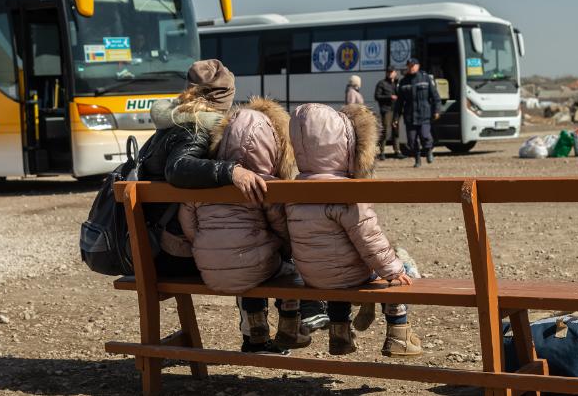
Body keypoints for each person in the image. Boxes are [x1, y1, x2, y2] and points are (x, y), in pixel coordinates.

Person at [286, 103, 423, 357]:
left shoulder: (293, 188)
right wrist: (392, 270)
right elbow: (369, 236)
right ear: (344, 143)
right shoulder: (346, 192)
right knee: (402, 264)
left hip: (313, 276)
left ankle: (340, 333)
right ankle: (398, 332)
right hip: (350, 276)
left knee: (336, 262)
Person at [179, 97, 311, 355]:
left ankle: (254, 326)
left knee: (247, 260)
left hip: (209, 268)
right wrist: (282, 248)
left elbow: (188, 222)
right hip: (253, 265)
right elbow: (281, 227)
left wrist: (201, 244)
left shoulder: (207, 179)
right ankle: (289, 324)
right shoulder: (263, 184)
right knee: (280, 266)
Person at [138, 59, 267, 277]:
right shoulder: (195, 128)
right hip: (171, 253)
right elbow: (178, 168)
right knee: (254, 254)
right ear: (225, 96)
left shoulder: (172, 123)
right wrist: (232, 171)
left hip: (152, 243)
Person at [394, 58, 441, 168]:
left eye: (413, 65)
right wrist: (396, 118)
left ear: (418, 66)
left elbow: (435, 97)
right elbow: (399, 103)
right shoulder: (403, 82)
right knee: (411, 141)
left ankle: (429, 150)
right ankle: (417, 159)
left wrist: (437, 110)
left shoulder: (425, 78)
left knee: (425, 136)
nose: (411, 67)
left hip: (424, 114)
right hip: (410, 116)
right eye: (409, 65)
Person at [374, 66, 406, 160]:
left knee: (396, 130)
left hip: (396, 110)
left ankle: (397, 151)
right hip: (386, 110)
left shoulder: (398, 83)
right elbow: (377, 96)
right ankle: (382, 152)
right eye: (389, 72)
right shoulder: (382, 83)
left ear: (395, 73)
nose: (390, 73)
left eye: (392, 72)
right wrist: (389, 97)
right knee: (386, 131)